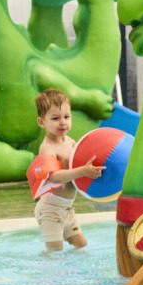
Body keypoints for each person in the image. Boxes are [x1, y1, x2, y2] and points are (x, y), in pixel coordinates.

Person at [32, 89, 103, 251]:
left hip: (67, 208)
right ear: (42, 122)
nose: (63, 122)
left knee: (81, 246)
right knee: (54, 252)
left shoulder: (70, 142)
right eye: (55, 118)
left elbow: (81, 162)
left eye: (66, 116)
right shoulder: (47, 148)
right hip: (50, 210)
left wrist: (93, 168)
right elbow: (53, 177)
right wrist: (83, 171)